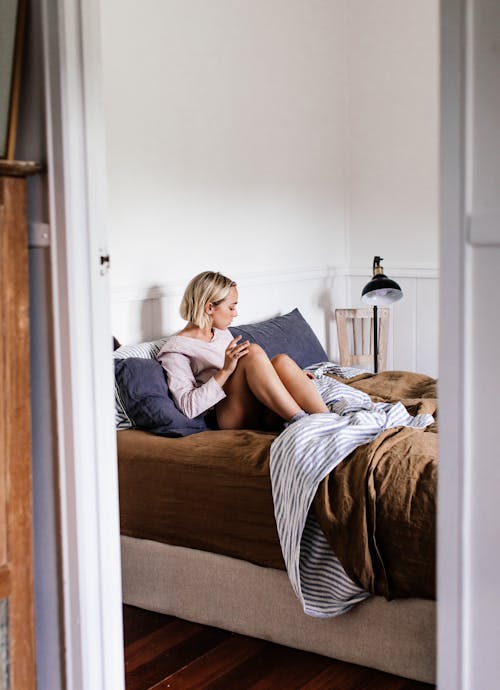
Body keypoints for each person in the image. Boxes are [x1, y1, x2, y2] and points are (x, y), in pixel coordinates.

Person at [157, 271, 329, 430]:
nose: (235, 313)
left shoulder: (220, 332)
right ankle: (301, 421)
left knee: (281, 361)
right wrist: (225, 371)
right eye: (231, 307)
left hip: (256, 403)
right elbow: (189, 407)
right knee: (251, 352)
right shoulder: (176, 350)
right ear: (209, 308)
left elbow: (253, 372)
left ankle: (329, 420)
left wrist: (286, 378)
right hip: (227, 417)